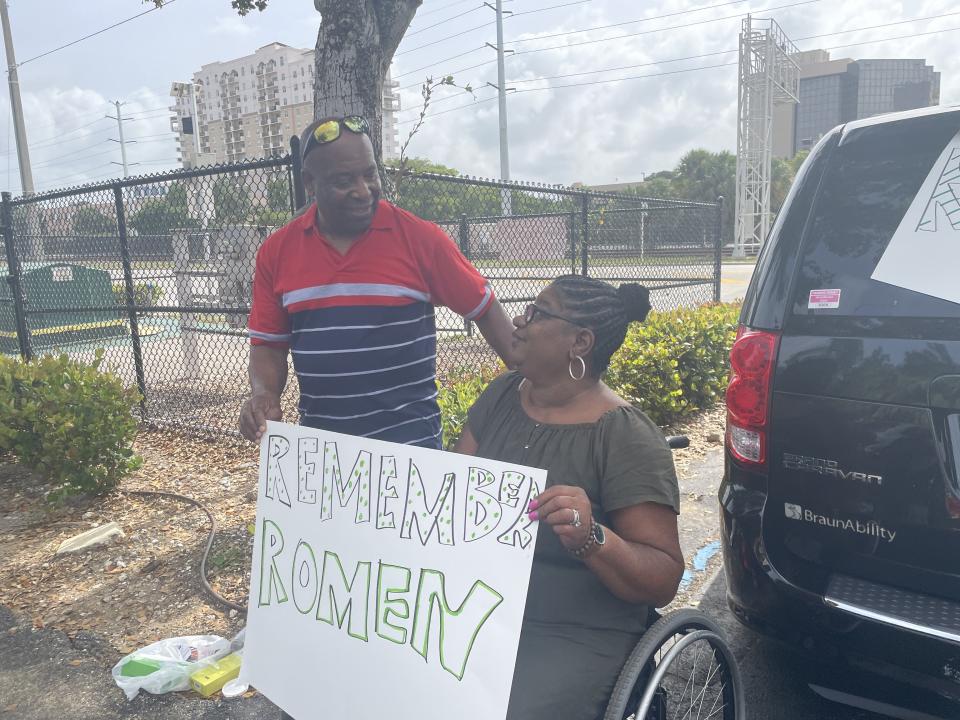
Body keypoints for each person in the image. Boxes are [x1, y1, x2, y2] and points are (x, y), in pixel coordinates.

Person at [455, 274, 684, 720]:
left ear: (580, 343)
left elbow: (663, 578)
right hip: (480, 604)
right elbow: (455, 493)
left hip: (577, 627)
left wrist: (591, 537)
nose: (519, 320)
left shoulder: (625, 437)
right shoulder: (501, 396)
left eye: (539, 312)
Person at [239, 116, 515, 445]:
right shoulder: (277, 252)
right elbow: (269, 345)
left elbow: (485, 309)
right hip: (325, 455)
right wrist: (263, 395)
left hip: (411, 452)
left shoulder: (420, 238)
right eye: (344, 180)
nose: (363, 190)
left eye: (369, 174)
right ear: (310, 183)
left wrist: (538, 387)